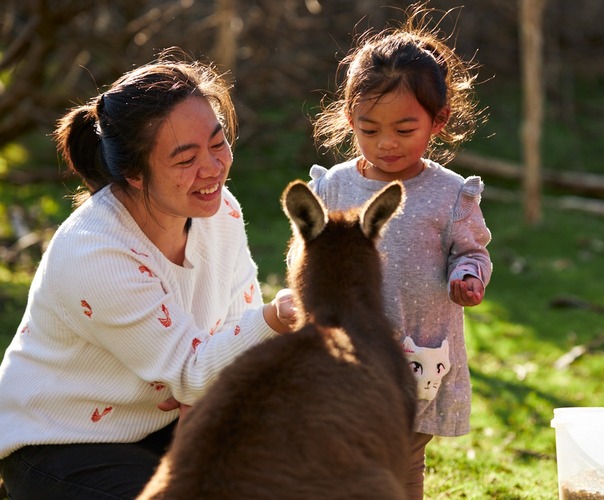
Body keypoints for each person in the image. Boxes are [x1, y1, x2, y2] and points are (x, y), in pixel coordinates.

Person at [0, 51, 295, 499]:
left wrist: (206, 378)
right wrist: (273, 321)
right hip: (61, 441)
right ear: (134, 174)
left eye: (217, 143)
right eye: (185, 159)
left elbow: (237, 329)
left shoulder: (222, 214)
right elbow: (201, 366)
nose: (213, 168)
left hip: (165, 423)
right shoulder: (96, 252)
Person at [307, 4, 492, 498]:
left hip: (418, 349)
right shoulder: (335, 187)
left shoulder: (451, 193)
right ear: (349, 118)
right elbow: (308, 257)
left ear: (439, 119)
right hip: (349, 349)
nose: (386, 143)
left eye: (404, 129)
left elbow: (472, 252)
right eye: (369, 130)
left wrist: (469, 275)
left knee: (406, 456)